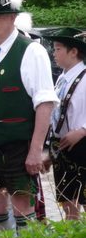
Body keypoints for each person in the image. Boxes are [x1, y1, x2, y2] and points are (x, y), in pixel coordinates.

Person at [0, 0, 58, 237]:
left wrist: (36, 150)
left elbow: (45, 103)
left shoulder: (31, 51)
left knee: (22, 205)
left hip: (16, 143)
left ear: (12, 17)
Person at [42, 28, 86, 220]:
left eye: (58, 49)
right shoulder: (62, 78)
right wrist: (48, 150)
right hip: (62, 146)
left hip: (82, 145)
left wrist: (83, 130)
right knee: (68, 204)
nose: (54, 53)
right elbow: (55, 115)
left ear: (73, 51)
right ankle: (73, 237)